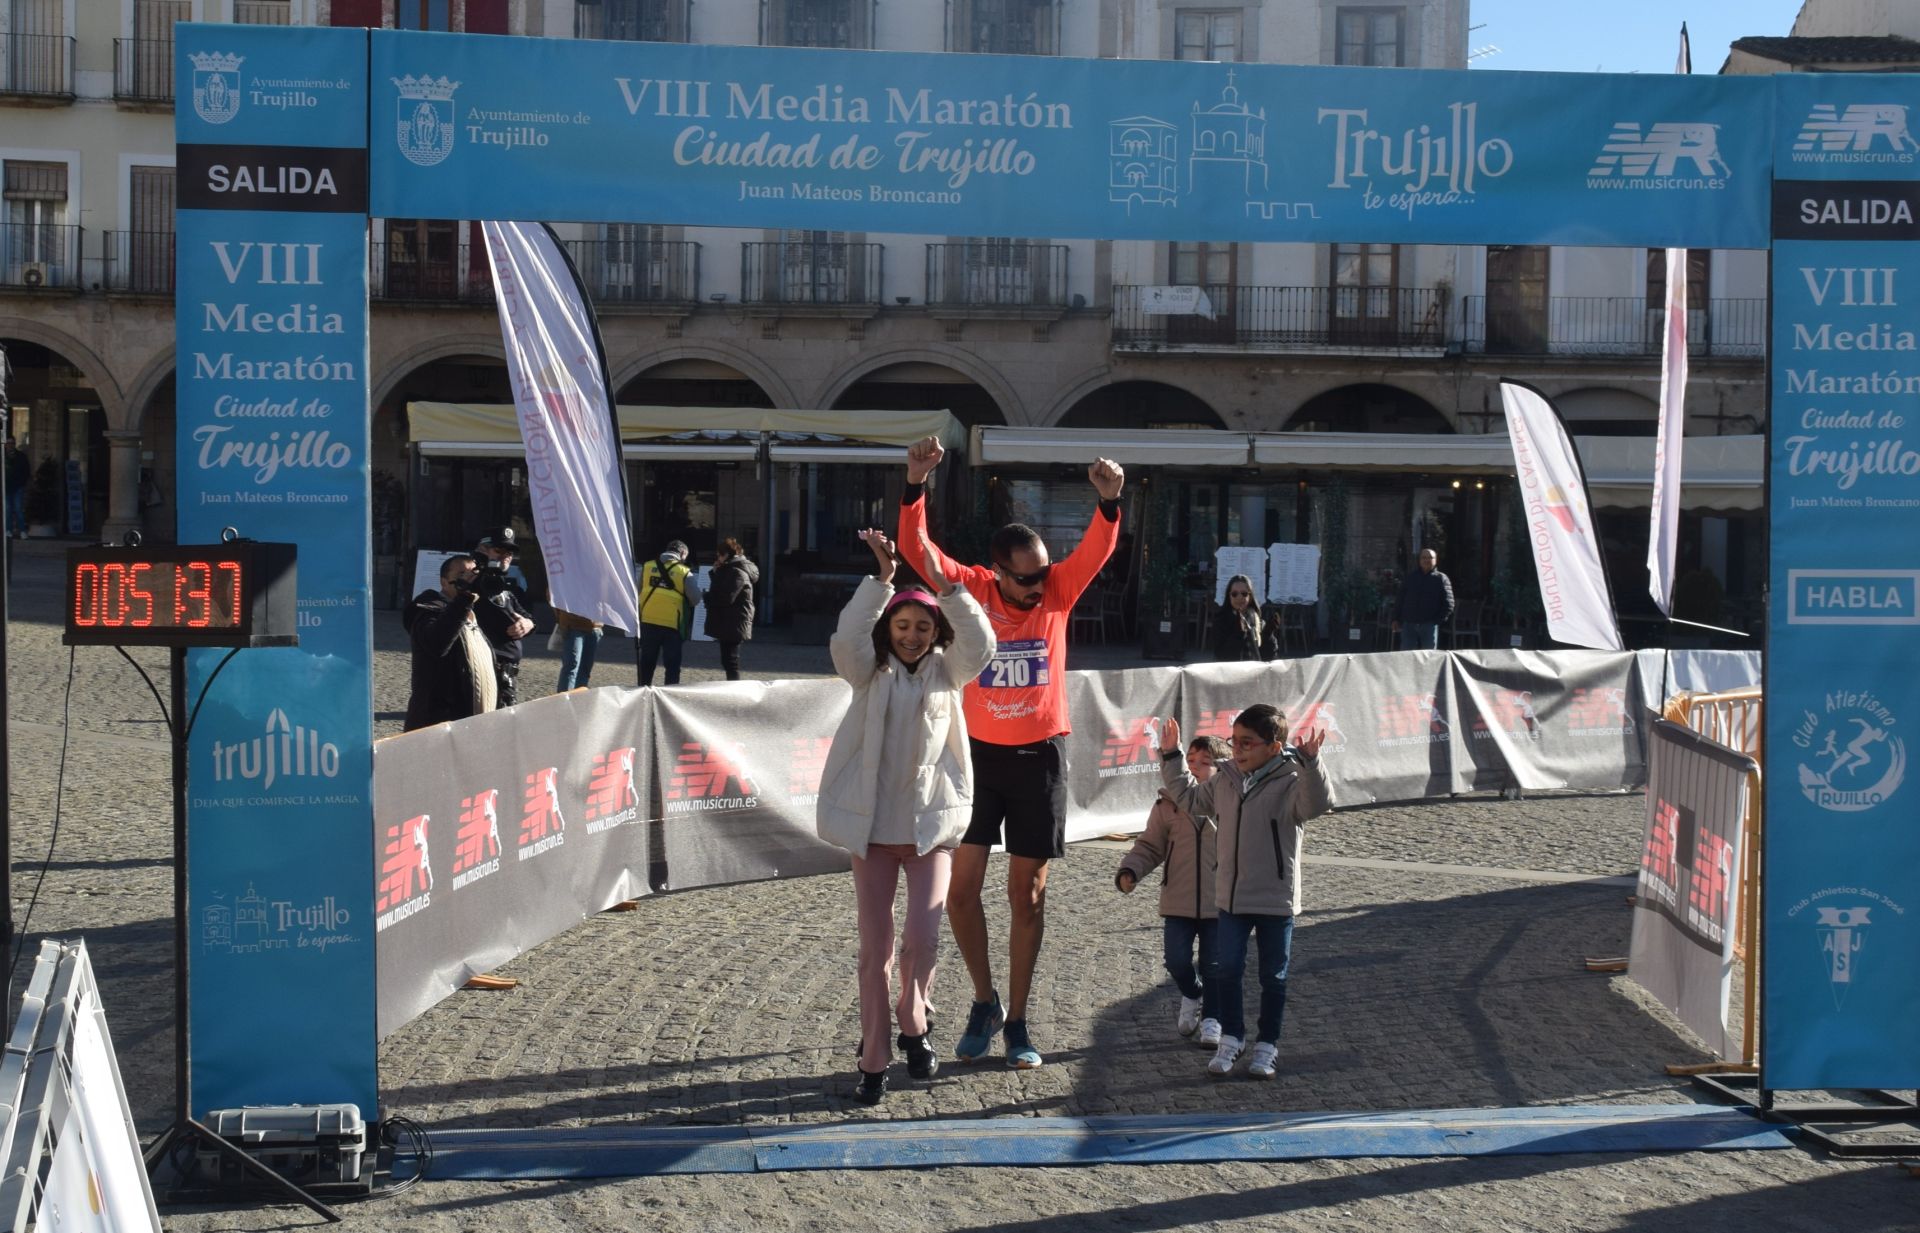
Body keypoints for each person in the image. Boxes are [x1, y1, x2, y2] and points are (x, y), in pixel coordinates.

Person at [899, 434, 1125, 1069]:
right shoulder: (971, 592)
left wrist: (1108, 502)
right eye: (1024, 579)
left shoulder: (1057, 590)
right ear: (997, 571)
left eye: (1042, 575)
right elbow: (921, 554)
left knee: (1026, 894)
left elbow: (1095, 550)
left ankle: (1019, 1022)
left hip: (1040, 759)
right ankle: (984, 1000)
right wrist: (915, 487)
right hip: (976, 758)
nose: (1037, 588)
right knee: (962, 891)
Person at [816, 528, 993, 1106]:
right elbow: (845, 640)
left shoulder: (950, 671)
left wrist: (946, 588)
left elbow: (982, 641)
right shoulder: (867, 672)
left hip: (930, 833)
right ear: (888, 629)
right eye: (902, 625)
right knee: (876, 952)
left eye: (921, 626)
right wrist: (882, 581)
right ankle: (873, 1058)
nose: (912, 636)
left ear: (934, 630)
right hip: (870, 834)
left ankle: (913, 1019)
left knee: (922, 940)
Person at [1158, 704, 1331, 1080]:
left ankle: (1267, 1046)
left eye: (1247, 743)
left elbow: (1317, 805)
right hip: (1232, 900)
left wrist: (1312, 764)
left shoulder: (1292, 779)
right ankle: (1231, 1040)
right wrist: (1171, 755)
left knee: (1274, 977)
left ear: (1274, 745)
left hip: (1274, 898)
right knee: (1225, 971)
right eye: (1234, 741)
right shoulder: (1226, 778)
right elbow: (1189, 799)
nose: (1237, 749)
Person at [1116, 734, 1230, 1049]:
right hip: (1177, 900)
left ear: (1223, 769)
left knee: (1215, 966)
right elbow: (1150, 845)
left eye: (1205, 763)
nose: (1195, 769)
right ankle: (1193, 994)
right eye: (1190, 762)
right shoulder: (1167, 804)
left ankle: (1213, 1019)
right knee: (1176, 960)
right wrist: (1130, 870)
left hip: (1219, 902)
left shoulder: (1230, 803)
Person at [402, 554, 499, 731]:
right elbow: (437, 644)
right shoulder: (428, 610)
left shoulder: (470, 611)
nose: (470, 578)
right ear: (444, 582)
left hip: (475, 722)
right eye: (462, 574)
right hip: (440, 722)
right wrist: (464, 599)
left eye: (473, 573)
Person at [470, 526, 536, 705]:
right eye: (499, 550)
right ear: (483, 551)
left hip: (507, 673)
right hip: (480, 668)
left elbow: (528, 616)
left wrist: (527, 623)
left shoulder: (511, 587)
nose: (505, 556)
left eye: (510, 552)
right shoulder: (470, 582)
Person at [638, 540, 694, 687]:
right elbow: (695, 599)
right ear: (682, 554)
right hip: (672, 625)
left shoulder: (648, 566)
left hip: (648, 621)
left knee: (647, 663)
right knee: (672, 666)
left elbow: (638, 590)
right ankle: (670, 695)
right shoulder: (685, 572)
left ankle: (643, 691)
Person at [703, 537, 759, 682]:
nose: (718, 558)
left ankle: (734, 688)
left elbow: (726, 597)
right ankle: (732, 686)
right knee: (728, 659)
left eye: (719, 555)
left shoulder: (737, 572)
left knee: (731, 660)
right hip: (730, 620)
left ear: (727, 555)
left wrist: (706, 597)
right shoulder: (731, 570)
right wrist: (715, 573)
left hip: (734, 620)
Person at [1393, 548, 1454, 651]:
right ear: (1419, 560)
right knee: (1406, 657)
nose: (1427, 560)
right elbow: (1400, 598)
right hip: (1409, 624)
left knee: (1429, 658)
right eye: (1424, 557)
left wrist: (1436, 621)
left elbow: (1449, 603)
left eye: (1430, 557)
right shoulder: (1411, 577)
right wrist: (1395, 618)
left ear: (1435, 560)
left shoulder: (1441, 579)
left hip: (1428, 625)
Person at [1209, 574, 1274, 662]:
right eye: (1234, 594)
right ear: (1229, 596)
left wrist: (1268, 635)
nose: (1239, 597)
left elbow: (1269, 656)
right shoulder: (1220, 621)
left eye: (1244, 594)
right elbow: (1221, 655)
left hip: (1255, 672)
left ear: (1250, 597)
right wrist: (1238, 632)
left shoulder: (1258, 621)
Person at [551, 607, 603, 692]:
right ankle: (564, 701)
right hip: (573, 624)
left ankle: (579, 700)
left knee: (585, 668)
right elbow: (554, 597)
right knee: (572, 665)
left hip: (595, 626)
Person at [4, 441, 26, 539]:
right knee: (8, 510)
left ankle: (22, 530)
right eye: (8, 443)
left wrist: (22, 483)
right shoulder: (3, 456)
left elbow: (26, 470)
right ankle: (8, 530)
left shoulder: (21, 456)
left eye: (12, 443)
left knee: (18, 509)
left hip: (17, 487)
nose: (10, 445)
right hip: (6, 487)